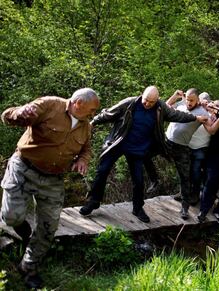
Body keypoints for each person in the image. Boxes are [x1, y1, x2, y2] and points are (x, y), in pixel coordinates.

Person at [1, 88, 100, 289]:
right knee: (11, 217)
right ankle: (21, 226)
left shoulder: (85, 126)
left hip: (54, 179)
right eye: (91, 110)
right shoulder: (49, 105)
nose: (93, 114)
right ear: (78, 103)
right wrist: (20, 114)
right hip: (23, 169)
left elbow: (87, 149)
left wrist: (82, 160)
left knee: (48, 227)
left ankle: (29, 267)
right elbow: (9, 115)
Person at [79, 86, 207, 223]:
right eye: (146, 100)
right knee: (102, 171)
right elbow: (108, 113)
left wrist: (195, 118)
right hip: (119, 143)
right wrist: (93, 122)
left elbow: (178, 115)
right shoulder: (130, 103)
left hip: (138, 149)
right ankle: (93, 201)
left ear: (157, 100)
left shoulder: (160, 108)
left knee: (138, 180)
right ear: (142, 96)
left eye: (151, 102)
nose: (147, 104)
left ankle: (138, 208)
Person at [165, 88, 209, 219]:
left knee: (185, 177)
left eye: (192, 100)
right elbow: (166, 107)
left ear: (198, 100)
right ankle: (154, 179)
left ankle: (185, 208)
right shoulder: (182, 104)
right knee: (145, 153)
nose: (189, 102)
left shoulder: (202, 112)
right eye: (188, 99)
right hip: (166, 141)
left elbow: (211, 129)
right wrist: (175, 96)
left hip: (182, 147)